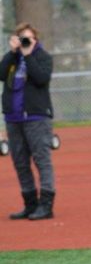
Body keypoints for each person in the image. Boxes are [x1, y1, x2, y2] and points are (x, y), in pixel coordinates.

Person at [2, 23, 56, 220]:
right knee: (20, 162)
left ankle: (46, 205)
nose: (25, 42)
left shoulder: (43, 57)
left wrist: (27, 54)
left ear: (36, 40)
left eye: (28, 38)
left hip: (36, 117)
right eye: (21, 38)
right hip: (13, 118)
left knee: (42, 160)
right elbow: (0, 74)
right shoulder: (13, 59)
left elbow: (41, 78)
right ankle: (30, 204)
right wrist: (11, 52)